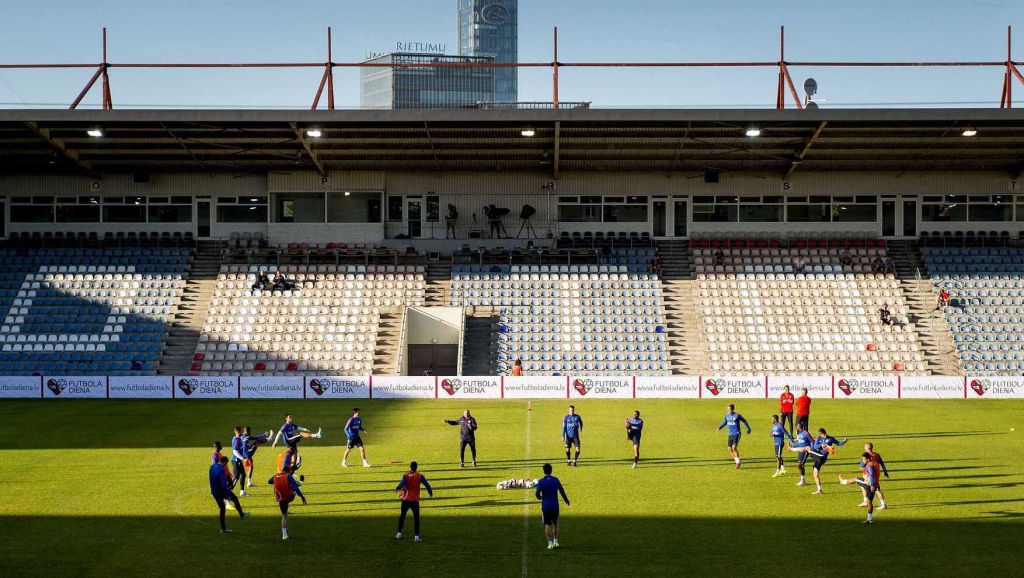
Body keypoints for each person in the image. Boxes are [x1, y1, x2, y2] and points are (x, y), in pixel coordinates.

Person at [210, 455, 250, 534]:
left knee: (222, 509)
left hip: (214, 491)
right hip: (221, 491)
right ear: (224, 463)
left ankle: (223, 529)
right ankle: (242, 515)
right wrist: (227, 495)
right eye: (226, 464)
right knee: (234, 498)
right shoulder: (221, 470)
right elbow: (224, 484)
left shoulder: (212, 467)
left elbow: (210, 479)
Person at [801, 428, 848, 495]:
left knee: (808, 449)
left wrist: (844, 441)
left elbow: (838, 443)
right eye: (823, 434)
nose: (825, 435)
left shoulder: (831, 438)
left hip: (822, 457)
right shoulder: (819, 438)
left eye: (825, 433)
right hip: (817, 457)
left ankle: (794, 449)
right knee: (815, 474)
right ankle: (819, 489)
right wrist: (821, 445)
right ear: (820, 435)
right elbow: (814, 446)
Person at [395, 461, 433, 542]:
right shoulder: (419, 476)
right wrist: (430, 492)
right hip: (414, 501)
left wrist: (397, 487)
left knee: (402, 516)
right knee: (416, 518)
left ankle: (399, 533)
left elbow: (402, 483)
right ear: (416, 467)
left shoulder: (406, 475)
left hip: (406, 500)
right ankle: (416, 536)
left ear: (410, 467)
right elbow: (426, 484)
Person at [534, 463, 570, 550]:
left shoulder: (541, 481)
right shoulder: (555, 480)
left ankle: (550, 544)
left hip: (546, 506)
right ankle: (556, 541)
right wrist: (566, 500)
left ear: (544, 471)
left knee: (547, 524)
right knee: (555, 523)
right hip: (555, 505)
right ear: (551, 470)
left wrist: (541, 497)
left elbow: (537, 494)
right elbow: (562, 491)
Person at [839, 453, 881, 524]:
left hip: (869, 484)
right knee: (869, 501)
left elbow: (871, 474)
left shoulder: (869, 465)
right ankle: (869, 519)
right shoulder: (875, 463)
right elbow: (876, 474)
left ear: (867, 459)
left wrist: (872, 484)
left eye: (864, 459)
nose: (863, 460)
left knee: (856, 479)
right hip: (875, 484)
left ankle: (842, 481)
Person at [270, 463, 306, 540]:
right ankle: (301, 482)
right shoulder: (288, 476)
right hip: (289, 497)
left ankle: (284, 535)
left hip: (280, 498)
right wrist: (302, 497)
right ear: (288, 471)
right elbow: (296, 489)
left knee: (284, 515)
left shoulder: (276, 475)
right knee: (293, 486)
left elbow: (269, 481)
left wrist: (277, 480)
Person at [717, 403, 752, 469]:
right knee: (729, 449)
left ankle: (738, 463)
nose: (728, 410)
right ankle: (737, 460)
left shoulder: (737, 415)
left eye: (729, 409)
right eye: (728, 409)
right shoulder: (726, 415)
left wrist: (748, 429)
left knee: (734, 448)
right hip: (730, 434)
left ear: (732, 409)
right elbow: (725, 422)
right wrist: (719, 427)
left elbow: (744, 421)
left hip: (737, 433)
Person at [862, 442, 890, 510]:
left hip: (869, 475)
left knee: (866, 486)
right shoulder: (877, 455)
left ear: (867, 448)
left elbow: (863, 466)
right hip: (876, 474)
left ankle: (867, 501)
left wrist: (864, 474)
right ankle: (881, 503)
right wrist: (885, 472)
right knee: (876, 489)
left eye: (865, 447)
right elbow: (882, 463)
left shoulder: (866, 456)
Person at [788, 423, 815, 487]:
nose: (796, 427)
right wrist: (792, 446)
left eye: (796, 426)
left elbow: (812, 441)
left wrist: (811, 449)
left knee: (800, 465)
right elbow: (799, 444)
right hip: (800, 451)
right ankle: (803, 480)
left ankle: (803, 481)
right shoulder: (799, 434)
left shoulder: (806, 433)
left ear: (799, 427)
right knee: (800, 466)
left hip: (805, 451)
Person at [230, 426, 248, 496]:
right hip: (236, 460)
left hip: (239, 461)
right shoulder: (236, 440)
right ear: (238, 431)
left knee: (243, 474)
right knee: (236, 476)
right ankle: (228, 491)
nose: (242, 432)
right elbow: (235, 452)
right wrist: (242, 458)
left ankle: (242, 492)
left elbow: (240, 444)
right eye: (241, 430)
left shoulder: (238, 438)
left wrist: (244, 441)